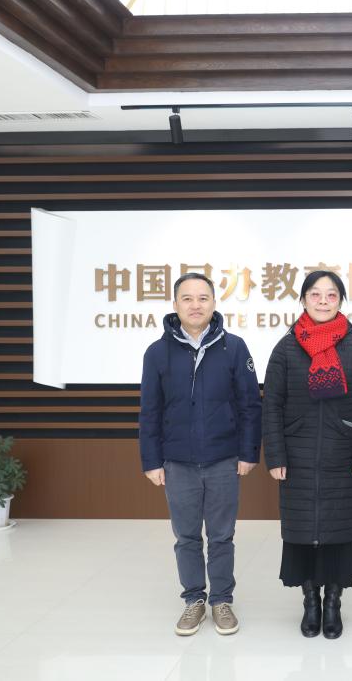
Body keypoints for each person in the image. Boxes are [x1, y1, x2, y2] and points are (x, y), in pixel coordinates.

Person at [139, 272, 262, 636]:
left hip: (224, 458)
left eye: (203, 298)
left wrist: (248, 453)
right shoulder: (157, 352)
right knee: (187, 537)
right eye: (188, 298)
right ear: (175, 305)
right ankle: (194, 599)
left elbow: (250, 406)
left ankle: (221, 600)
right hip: (178, 462)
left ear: (214, 303)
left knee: (222, 535)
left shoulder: (234, 347)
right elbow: (149, 411)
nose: (196, 305)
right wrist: (151, 460)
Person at [262, 270, 352, 640]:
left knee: (338, 531)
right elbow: (272, 405)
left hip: (343, 454)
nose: (323, 301)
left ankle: (333, 603)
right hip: (296, 456)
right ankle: (310, 601)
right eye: (316, 294)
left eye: (331, 295)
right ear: (303, 300)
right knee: (302, 531)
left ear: (341, 301)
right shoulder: (286, 348)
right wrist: (276, 456)